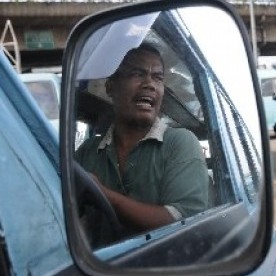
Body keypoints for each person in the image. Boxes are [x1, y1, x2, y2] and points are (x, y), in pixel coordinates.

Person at [75, 44, 209, 244]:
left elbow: (183, 221)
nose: (150, 84)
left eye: (158, 77)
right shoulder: (88, 151)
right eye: (137, 74)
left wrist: (104, 194)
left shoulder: (180, 142)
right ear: (110, 87)